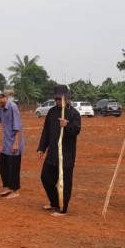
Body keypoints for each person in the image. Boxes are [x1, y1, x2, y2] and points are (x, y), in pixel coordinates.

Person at [37, 84, 81, 216]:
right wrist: (41, 148)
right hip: (52, 153)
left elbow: (76, 131)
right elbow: (46, 132)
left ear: (67, 98)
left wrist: (67, 125)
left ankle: (63, 208)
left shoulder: (74, 114)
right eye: (56, 99)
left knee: (65, 182)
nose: (59, 101)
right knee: (46, 178)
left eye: (61, 98)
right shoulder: (52, 112)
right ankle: (55, 202)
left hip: (66, 155)